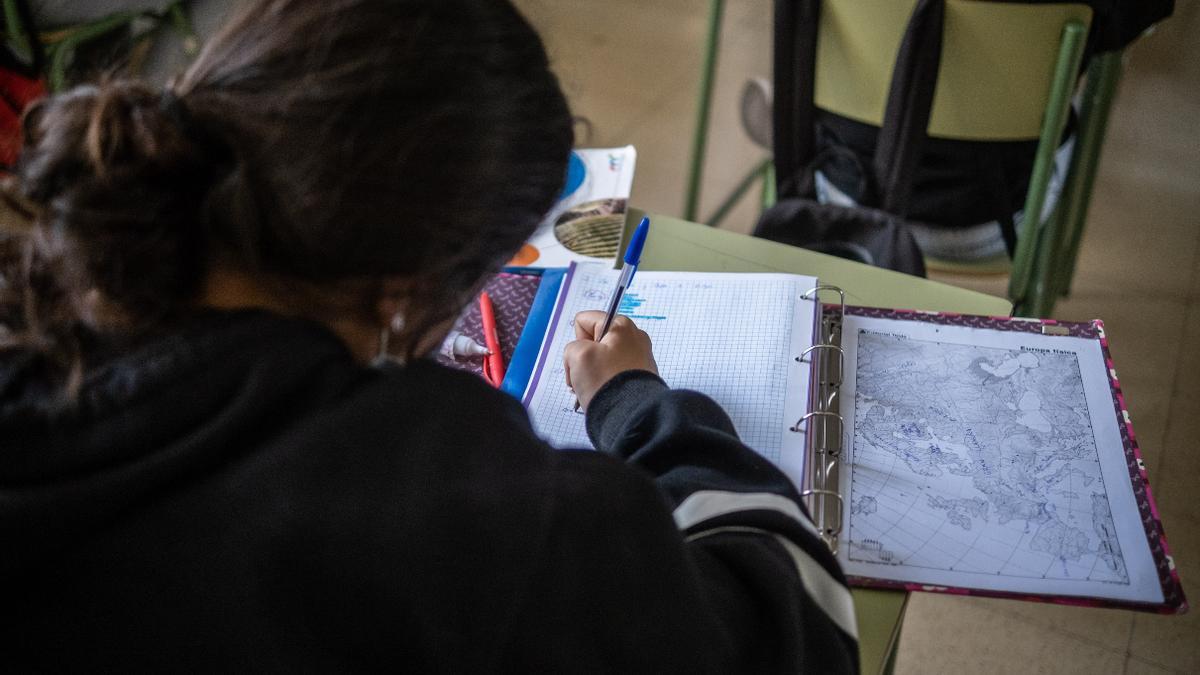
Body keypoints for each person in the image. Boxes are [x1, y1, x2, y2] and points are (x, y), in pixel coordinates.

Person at [0, 0, 858, 671]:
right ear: (408, 296)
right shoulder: (434, 497)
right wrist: (638, 406)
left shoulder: (43, 327)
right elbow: (800, 621)